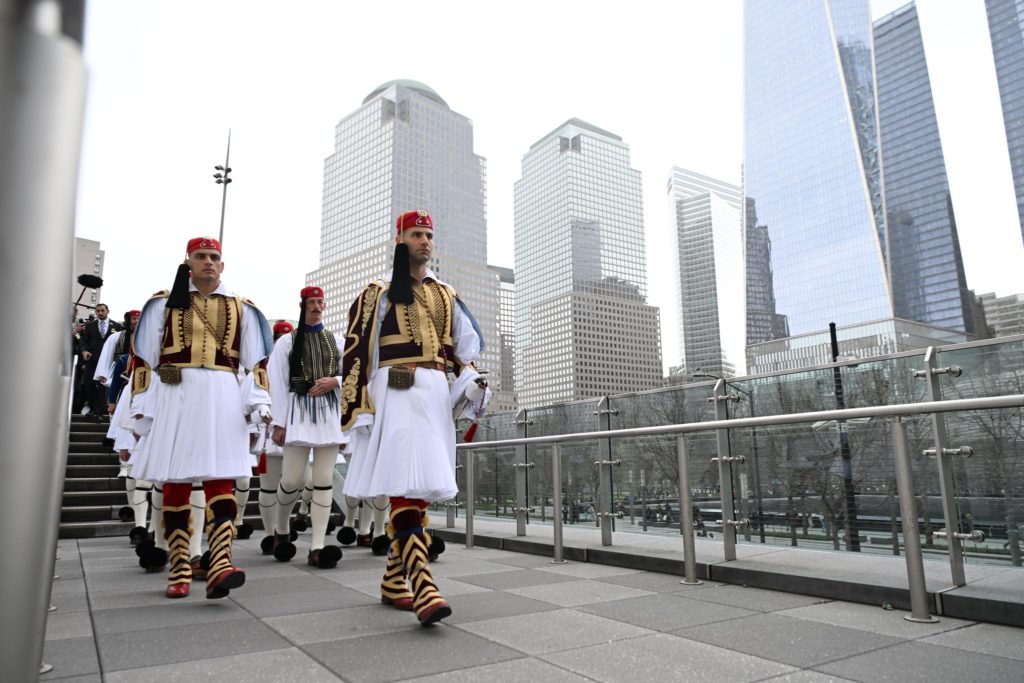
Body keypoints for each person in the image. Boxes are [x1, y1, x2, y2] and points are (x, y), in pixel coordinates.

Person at [341, 209, 490, 626]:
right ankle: (423, 584)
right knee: (406, 483)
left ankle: (393, 580)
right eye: (415, 234)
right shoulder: (378, 292)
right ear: (399, 239)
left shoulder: (447, 294)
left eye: (428, 234)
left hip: (433, 394)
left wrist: (473, 382)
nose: (424, 240)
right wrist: (359, 408)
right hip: (395, 392)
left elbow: (463, 353)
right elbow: (356, 351)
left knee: (419, 487)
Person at [129, 236, 273, 599]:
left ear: (222, 265)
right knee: (175, 479)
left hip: (224, 394)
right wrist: (141, 408)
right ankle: (179, 565)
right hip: (177, 393)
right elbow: (145, 360)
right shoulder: (162, 303)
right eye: (201, 256)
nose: (208, 262)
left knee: (221, 478)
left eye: (214, 257)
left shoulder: (243, 308)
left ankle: (219, 563)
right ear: (187, 262)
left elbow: (255, 363)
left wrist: (259, 404)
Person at [266, 286, 345, 568]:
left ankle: (318, 545)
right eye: (311, 302)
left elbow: (354, 373)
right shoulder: (287, 342)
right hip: (297, 414)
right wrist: (279, 422)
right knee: (292, 481)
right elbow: (277, 381)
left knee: (323, 480)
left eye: (320, 302)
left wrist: (334, 381)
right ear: (303, 305)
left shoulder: (337, 340)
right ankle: (282, 528)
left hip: (328, 416)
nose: (317, 306)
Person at [78, 303, 123, 417]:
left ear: (108, 311)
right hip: (92, 360)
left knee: (104, 386)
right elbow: (83, 341)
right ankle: (93, 408)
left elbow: (121, 342)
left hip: (108, 362)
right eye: (98, 311)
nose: (100, 313)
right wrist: (84, 351)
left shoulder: (117, 326)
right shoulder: (90, 325)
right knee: (90, 385)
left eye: (102, 310)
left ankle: (102, 411)